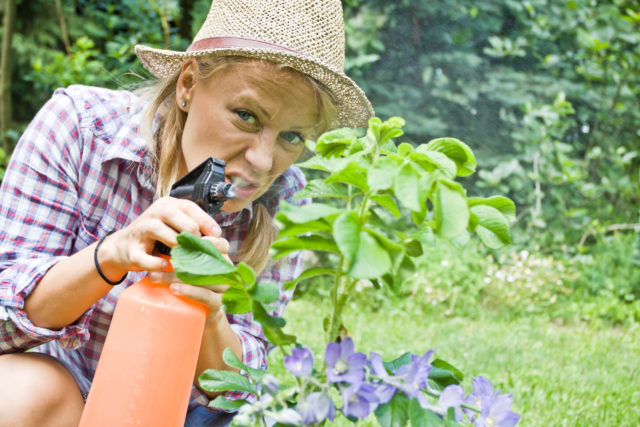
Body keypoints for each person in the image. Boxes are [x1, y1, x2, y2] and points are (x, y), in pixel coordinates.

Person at [0, 0, 373, 425]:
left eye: (291, 136)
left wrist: (211, 317)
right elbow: (3, 321)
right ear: (188, 85)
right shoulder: (81, 128)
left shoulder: (284, 200)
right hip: (54, 405)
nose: (264, 161)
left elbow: (242, 396)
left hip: (172, 410)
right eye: (247, 116)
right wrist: (111, 255)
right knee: (25, 391)